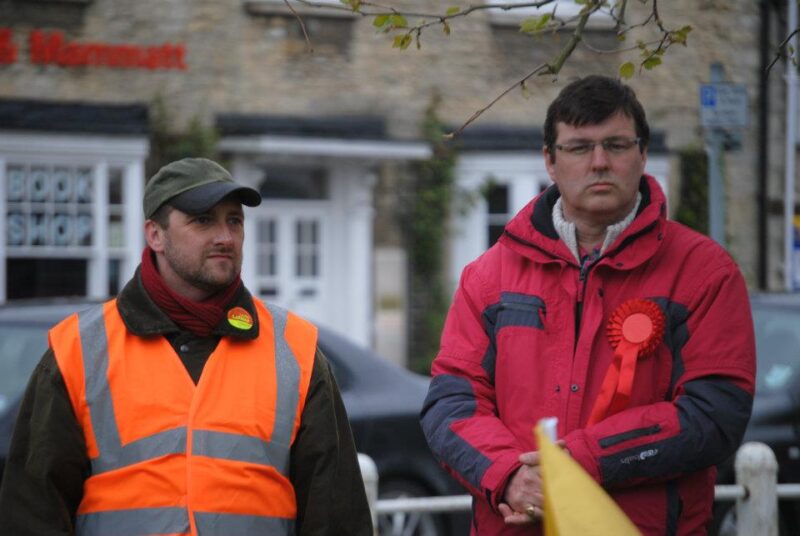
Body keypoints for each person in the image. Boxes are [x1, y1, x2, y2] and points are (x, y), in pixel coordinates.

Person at [421, 76, 756, 535]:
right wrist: (510, 476)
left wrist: (581, 461)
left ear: (642, 154)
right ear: (550, 161)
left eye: (616, 145)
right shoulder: (489, 276)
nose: (600, 162)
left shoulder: (703, 273)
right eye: (579, 148)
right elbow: (452, 403)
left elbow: (714, 413)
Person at [0, 157, 373, 536]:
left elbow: (337, 515)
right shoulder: (80, 348)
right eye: (203, 220)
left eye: (234, 220)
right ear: (155, 235)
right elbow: (33, 510)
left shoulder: (295, 349)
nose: (225, 237)